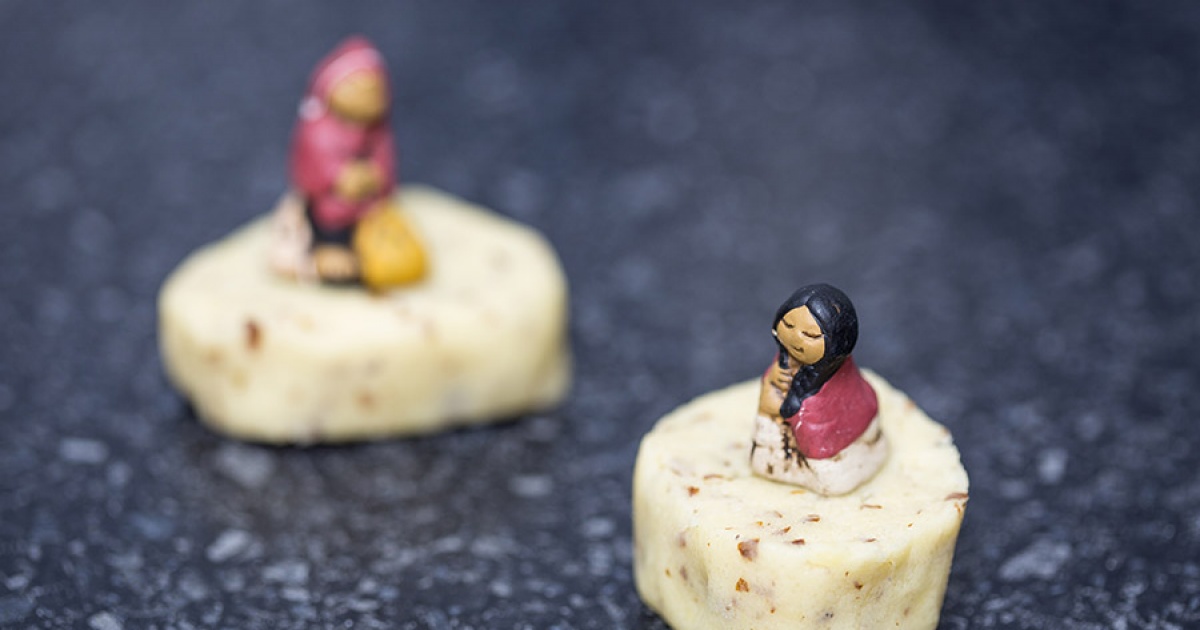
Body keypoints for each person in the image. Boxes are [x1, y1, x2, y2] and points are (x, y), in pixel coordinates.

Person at [274, 36, 426, 288]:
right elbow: (311, 168)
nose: (369, 96)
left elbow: (385, 163)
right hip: (331, 212)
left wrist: (374, 175)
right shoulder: (318, 132)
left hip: (371, 208)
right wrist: (340, 177)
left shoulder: (378, 133)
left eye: (376, 89)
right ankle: (325, 254)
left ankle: (373, 260)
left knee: (384, 231)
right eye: (358, 88)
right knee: (330, 221)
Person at [750, 283, 888, 494]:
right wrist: (772, 384)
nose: (795, 338)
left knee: (829, 478)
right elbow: (772, 387)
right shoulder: (786, 361)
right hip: (783, 440)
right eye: (788, 324)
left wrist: (777, 409)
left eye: (811, 335)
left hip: (832, 445)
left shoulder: (826, 387)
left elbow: (814, 426)